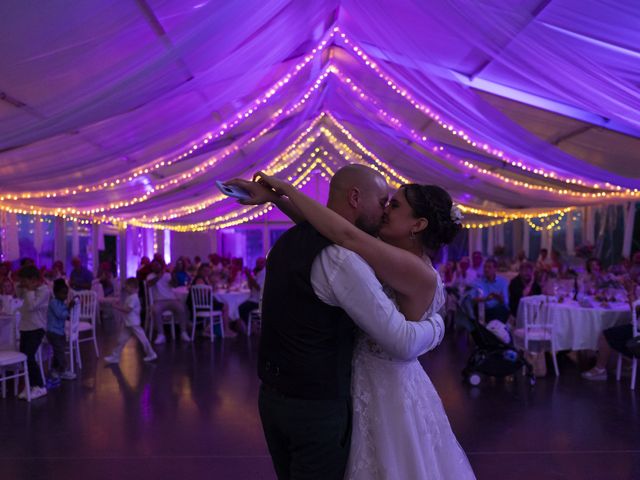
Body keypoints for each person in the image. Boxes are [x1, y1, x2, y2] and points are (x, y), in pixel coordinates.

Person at [228, 166, 475, 480]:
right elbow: (329, 230)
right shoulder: (382, 253)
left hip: (390, 391)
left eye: (394, 204)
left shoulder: (416, 270)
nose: (386, 209)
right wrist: (277, 200)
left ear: (418, 224)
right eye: (386, 201)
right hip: (353, 385)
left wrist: (285, 190)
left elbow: (343, 234)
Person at [15, 265, 50, 400]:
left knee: (29, 357)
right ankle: (30, 385)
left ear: (34, 280)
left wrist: (30, 290)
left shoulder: (44, 290)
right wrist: (23, 286)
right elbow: (18, 293)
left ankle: (40, 386)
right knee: (24, 358)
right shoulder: (25, 289)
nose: (22, 283)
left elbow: (31, 306)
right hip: (25, 328)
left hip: (37, 329)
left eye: (25, 280)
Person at [104, 278, 157, 364]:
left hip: (133, 323)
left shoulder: (133, 298)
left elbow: (127, 310)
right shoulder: (131, 297)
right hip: (129, 323)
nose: (126, 288)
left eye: (128, 287)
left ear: (134, 288)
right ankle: (115, 356)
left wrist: (116, 307)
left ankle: (151, 354)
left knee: (143, 339)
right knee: (121, 340)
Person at [146, 260, 190, 344]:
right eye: (153, 266)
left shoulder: (167, 275)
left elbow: (174, 284)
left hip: (171, 299)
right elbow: (150, 284)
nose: (155, 267)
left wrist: (172, 274)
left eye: (157, 265)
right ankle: (161, 334)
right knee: (156, 310)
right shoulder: (150, 276)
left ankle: (183, 332)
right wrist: (159, 276)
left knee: (181, 308)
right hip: (158, 301)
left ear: (161, 266)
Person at [46, 279, 77, 384]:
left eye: (66, 294)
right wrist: (69, 307)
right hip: (53, 332)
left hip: (60, 332)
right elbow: (61, 315)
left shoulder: (61, 302)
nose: (65, 296)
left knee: (58, 351)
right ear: (56, 293)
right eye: (63, 294)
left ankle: (55, 369)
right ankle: (63, 370)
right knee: (60, 352)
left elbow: (65, 315)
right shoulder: (54, 302)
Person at [473, 258, 510, 323]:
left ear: (495, 269)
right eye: (485, 267)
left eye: (489, 267)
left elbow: (505, 302)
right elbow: (473, 299)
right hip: (484, 310)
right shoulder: (478, 282)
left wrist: (499, 298)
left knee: (502, 310)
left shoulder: (503, 282)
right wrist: (486, 299)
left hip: (498, 309)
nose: (486, 270)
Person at [238, 258, 266, 334]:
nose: (259, 264)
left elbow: (258, 287)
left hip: (258, 301)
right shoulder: (259, 273)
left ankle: (252, 326)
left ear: (265, 263)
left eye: (261, 262)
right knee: (239, 304)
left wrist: (248, 275)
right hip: (253, 298)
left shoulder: (264, 273)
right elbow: (251, 287)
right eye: (257, 263)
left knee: (241, 308)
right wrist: (249, 277)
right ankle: (250, 325)